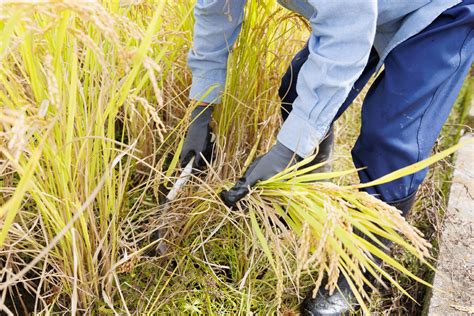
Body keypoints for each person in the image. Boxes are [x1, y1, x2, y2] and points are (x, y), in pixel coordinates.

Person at [180, 0, 474, 314]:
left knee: (391, 135)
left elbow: (347, 33)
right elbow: (217, 10)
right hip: (369, 7)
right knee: (296, 88)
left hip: (440, 11)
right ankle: (308, 193)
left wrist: (286, 151)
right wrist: (201, 111)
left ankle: (358, 268)